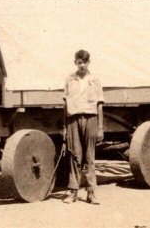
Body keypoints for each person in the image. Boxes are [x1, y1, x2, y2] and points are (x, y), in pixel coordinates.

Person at [63, 49, 104, 205]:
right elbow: (65, 105)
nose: (82, 65)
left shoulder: (94, 80)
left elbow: (100, 104)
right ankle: (73, 192)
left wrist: (100, 127)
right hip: (73, 119)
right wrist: (65, 126)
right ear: (75, 63)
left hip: (90, 118)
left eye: (85, 62)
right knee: (74, 156)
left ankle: (91, 193)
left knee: (89, 157)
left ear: (89, 63)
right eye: (79, 62)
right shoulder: (69, 79)